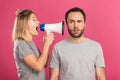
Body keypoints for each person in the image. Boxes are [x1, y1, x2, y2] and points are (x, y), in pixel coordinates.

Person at [50, 7, 106, 80]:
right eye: (71, 22)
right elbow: (53, 76)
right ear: (66, 24)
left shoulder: (96, 47)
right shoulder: (58, 47)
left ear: (84, 24)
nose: (76, 26)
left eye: (79, 21)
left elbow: (100, 76)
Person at [12, 9, 54, 80]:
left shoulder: (30, 43)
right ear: (24, 24)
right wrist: (46, 45)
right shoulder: (20, 44)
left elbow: (45, 63)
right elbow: (38, 66)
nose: (38, 22)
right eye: (34, 20)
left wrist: (45, 45)